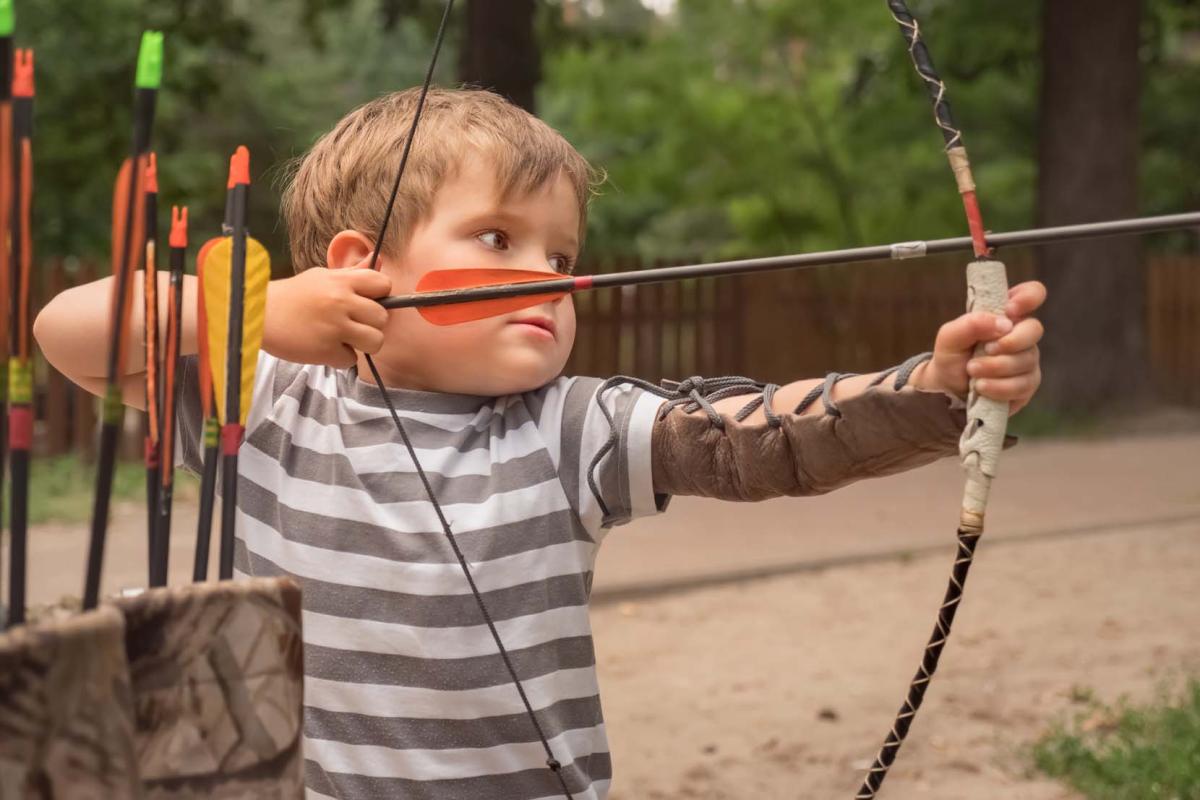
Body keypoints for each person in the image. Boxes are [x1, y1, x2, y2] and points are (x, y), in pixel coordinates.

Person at [36, 87, 1045, 799]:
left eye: (562, 254)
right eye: (498, 238)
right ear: (363, 265)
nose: (548, 275)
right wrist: (249, 311)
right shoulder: (259, 400)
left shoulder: (574, 425)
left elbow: (763, 439)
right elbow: (67, 331)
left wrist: (935, 386)